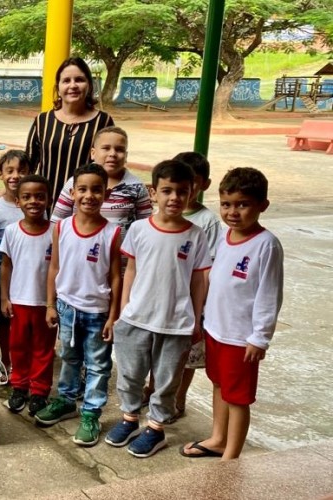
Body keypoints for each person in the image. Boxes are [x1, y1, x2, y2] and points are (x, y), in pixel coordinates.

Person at [106, 159, 211, 458]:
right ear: (154, 192)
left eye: (182, 191)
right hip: (136, 319)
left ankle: (155, 428)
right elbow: (131, 271)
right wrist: (124, 310)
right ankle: (129, 419)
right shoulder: (139, 229)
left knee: (166, 381)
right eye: (167, 190)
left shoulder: (196, 235)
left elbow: (197, 280)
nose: (174, 198)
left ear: (192, 192)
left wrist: (196, 319)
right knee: (130, 374)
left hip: (175, 322)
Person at [180, 167, 283, 460]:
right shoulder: (225, 237)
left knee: (237, 398)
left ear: (262, 205)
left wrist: (259, 338)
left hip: (241, 338)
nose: (233, 212)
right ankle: (218, 438)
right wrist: (202, 320)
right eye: (226, 204)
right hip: (215, 329)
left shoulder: (266, 245)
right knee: (218, 384)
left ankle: (231, 457)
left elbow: (269, 295)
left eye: (243, 204)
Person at [37, 163, 122, 448]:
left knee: (98, 365)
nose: (89, 195)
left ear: (106, 194)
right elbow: (54, 269)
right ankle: (66, 400)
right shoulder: (61, 227)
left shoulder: (112, 233)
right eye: (82, 189)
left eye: (96, 190)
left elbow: (116, 275)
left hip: (98, 312)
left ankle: (91, 413)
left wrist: (113, 315)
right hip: (67, 308)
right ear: (72, 193)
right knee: (70, 357)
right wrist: (51, 305)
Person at [151, 151, 221, 420]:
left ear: (202, 185)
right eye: (171, 188)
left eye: (190, 185)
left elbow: (207, 267)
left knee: (186, 356)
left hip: (189, 301)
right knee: (157, 352)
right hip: (158, 298)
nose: (181, 194)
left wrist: (199, 307)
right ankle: (155, 389)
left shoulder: (207, 222)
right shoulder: (158, 214)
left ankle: (178, 398)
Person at [0, 174, 55, 417]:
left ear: (48, 199)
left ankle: (40, 390)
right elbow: (6, 266)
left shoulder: (56, 231)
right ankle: (19, 386)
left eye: (40, 196)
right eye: (27, 197)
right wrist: (4, 297)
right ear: (18, 202)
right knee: (18, 346)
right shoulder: (12, 231)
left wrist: (54, 303)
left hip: (45, 303)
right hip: (19, 301)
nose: (34, 201)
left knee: (44, 349)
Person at [26, 57, 115, 204]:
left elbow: (111, 165)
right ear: (58, 88)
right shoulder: (43, 120)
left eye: (79, 80)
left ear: (89, 86)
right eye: (66, 81)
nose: (73, 85)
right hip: (45, 204)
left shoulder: (103, 121)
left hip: (86, 205)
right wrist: (6, 192)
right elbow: (28, 163)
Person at [51, 126, 151, 242]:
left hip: (120, 257)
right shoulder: (75, 182)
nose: (112, 154)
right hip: (78, 252)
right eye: (106, 148)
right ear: (93, 153)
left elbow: (145, 227)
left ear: (126, 156)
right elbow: (57, 221)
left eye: (119, 149)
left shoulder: (137, 186)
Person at [0, 150, 32, 371]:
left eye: (22, 171)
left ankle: (24, 363)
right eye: (9, 171)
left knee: (28, 320)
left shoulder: (35, 203)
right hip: (5, 274)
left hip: (32, 276)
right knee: (5, 318)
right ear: (0, 175)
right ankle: (6, 361)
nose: (15, 176)